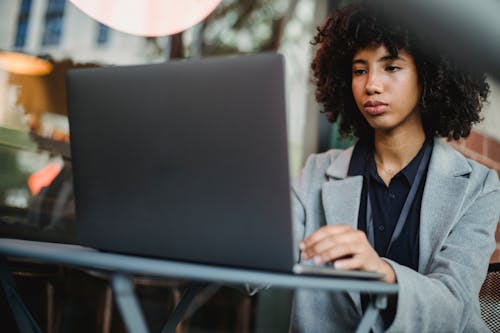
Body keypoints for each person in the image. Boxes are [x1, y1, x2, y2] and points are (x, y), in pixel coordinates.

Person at [289, 2, 500, 332]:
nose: (371, 84)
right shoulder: (316, 172)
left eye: (391, 67)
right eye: (360, 70)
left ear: (428, 76)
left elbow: (453, 305)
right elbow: (263, 264)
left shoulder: (480, 185)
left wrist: (382, 272)